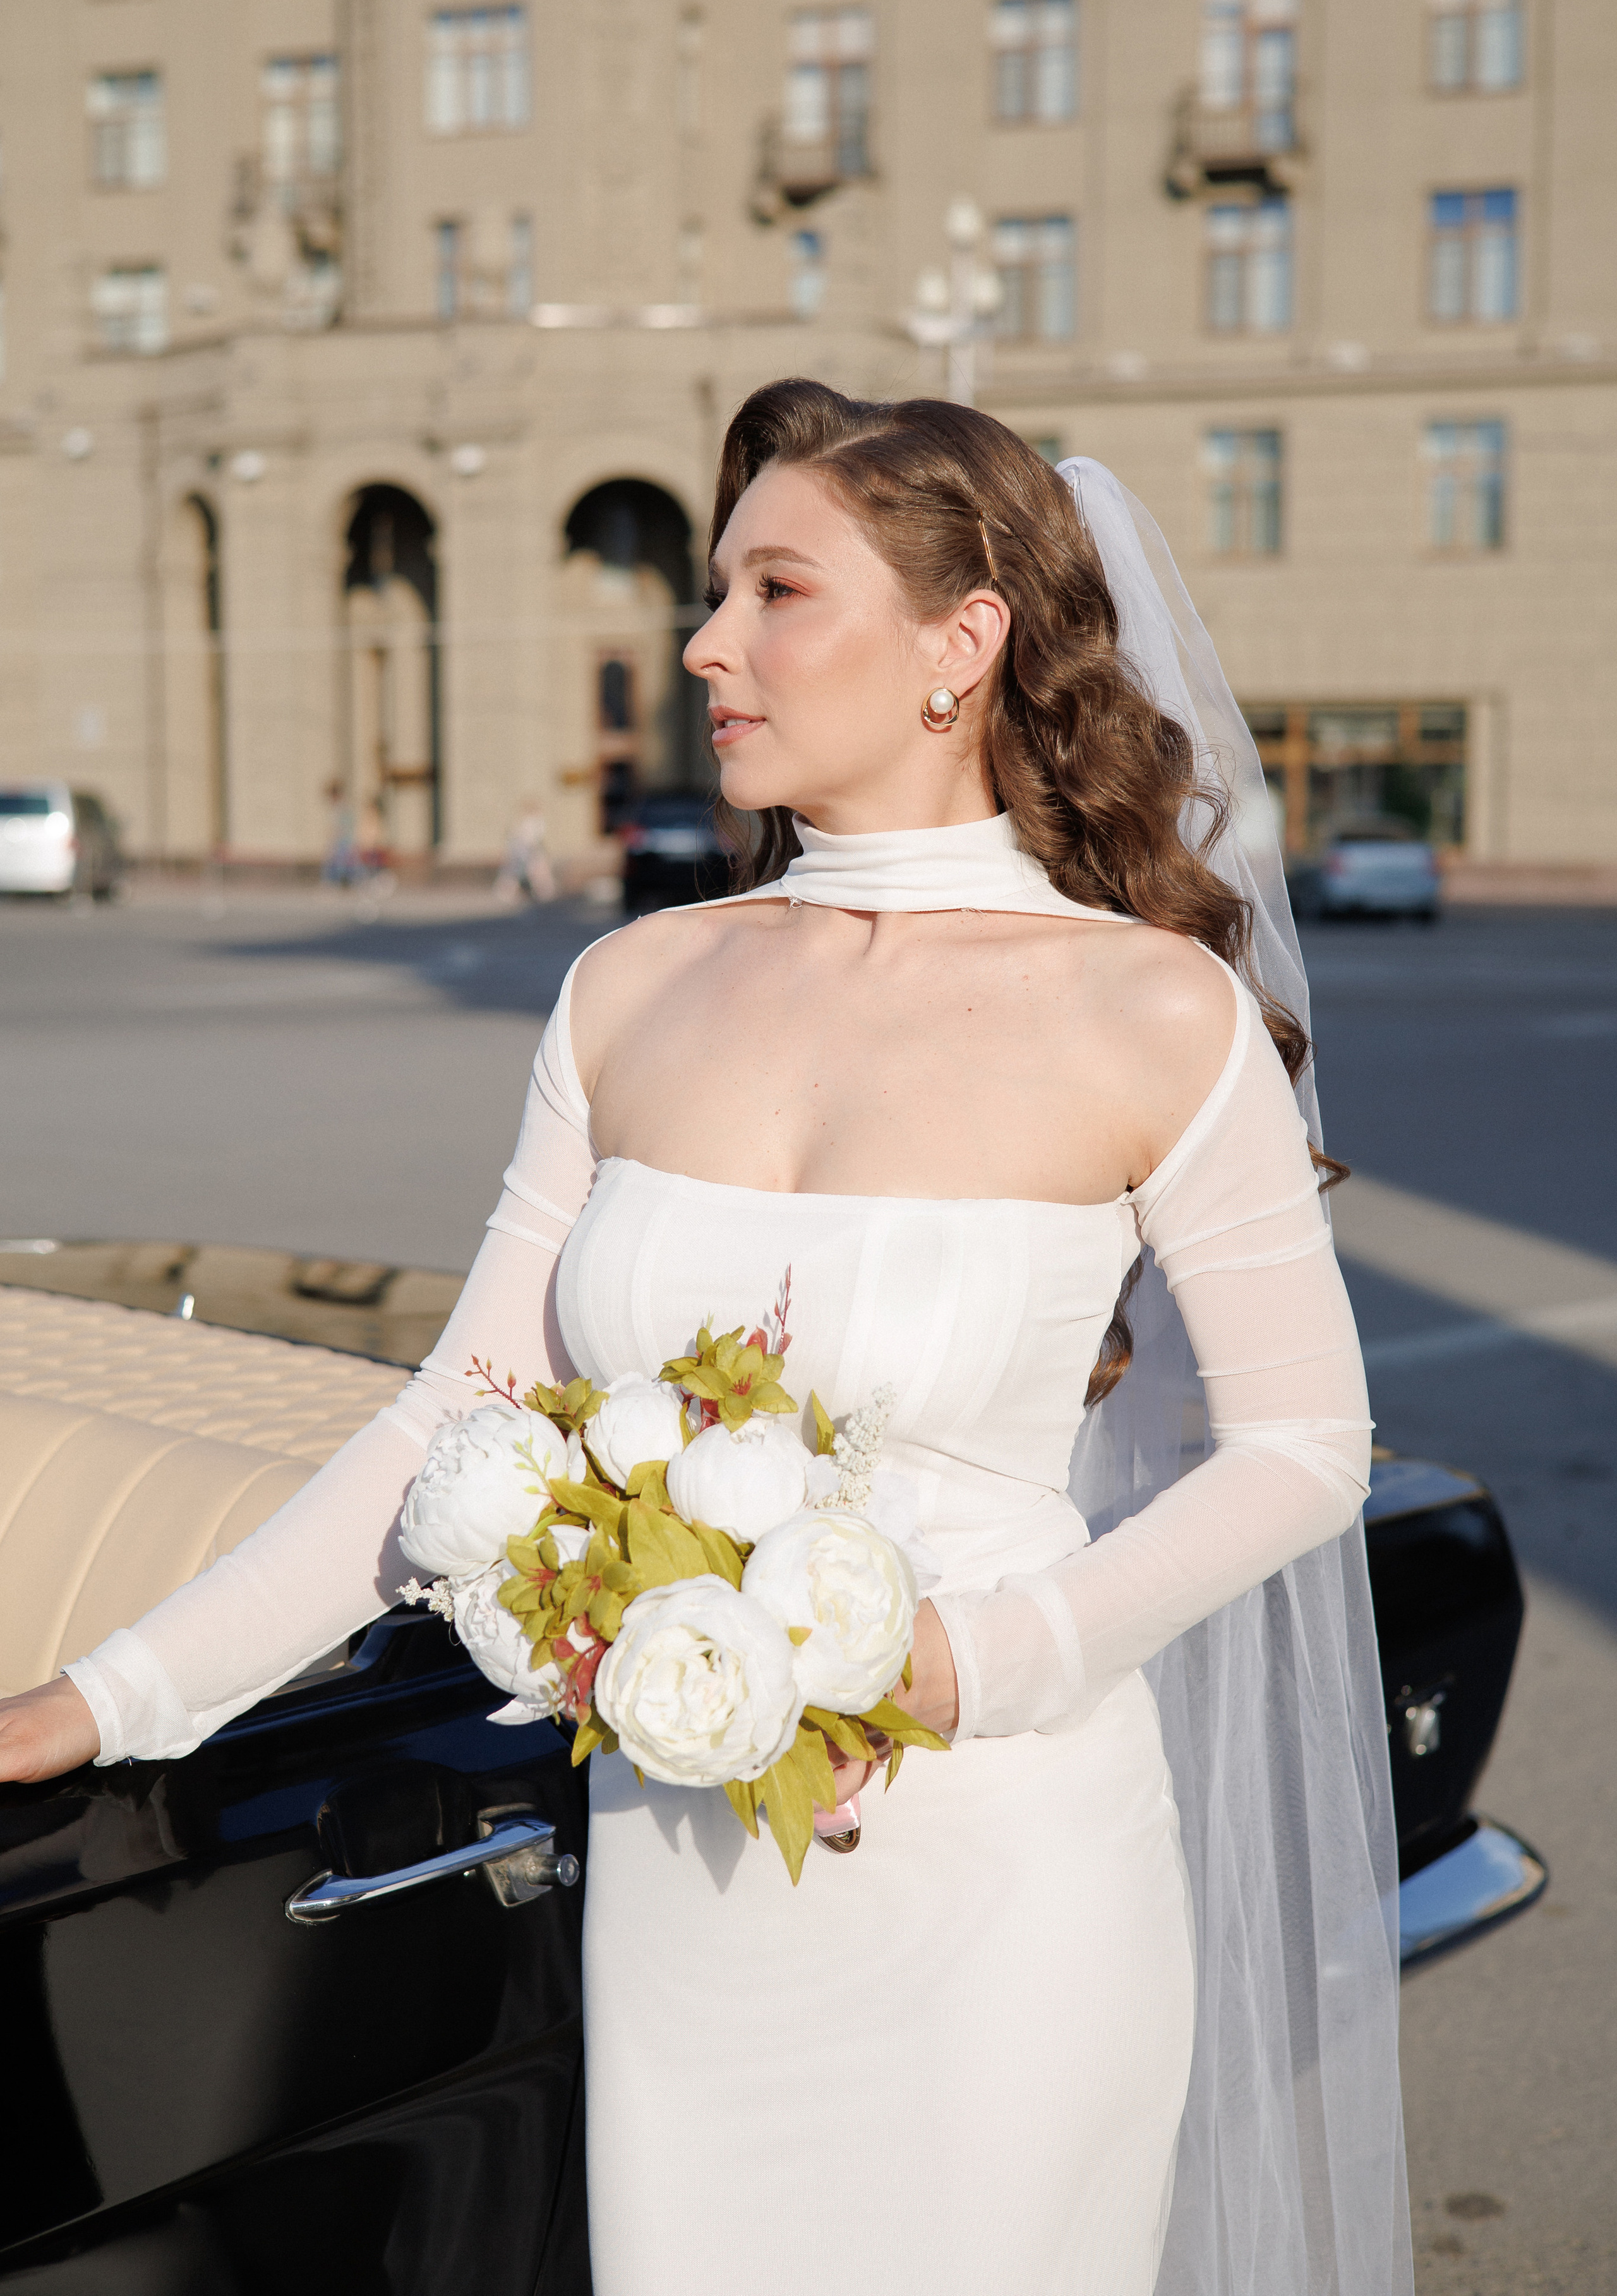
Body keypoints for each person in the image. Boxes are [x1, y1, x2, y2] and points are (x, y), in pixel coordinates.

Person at [0, 383, 1410, 2296]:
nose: (704, 644)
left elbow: (1307, 1450)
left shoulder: (1151, 1014)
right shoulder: (628, 989)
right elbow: (455, 1433)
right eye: (710, 589)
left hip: (1007, 1869)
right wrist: (103, 1700)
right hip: (690, 1878)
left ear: (958, 643)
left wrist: (966, 1662)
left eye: (775, 589)